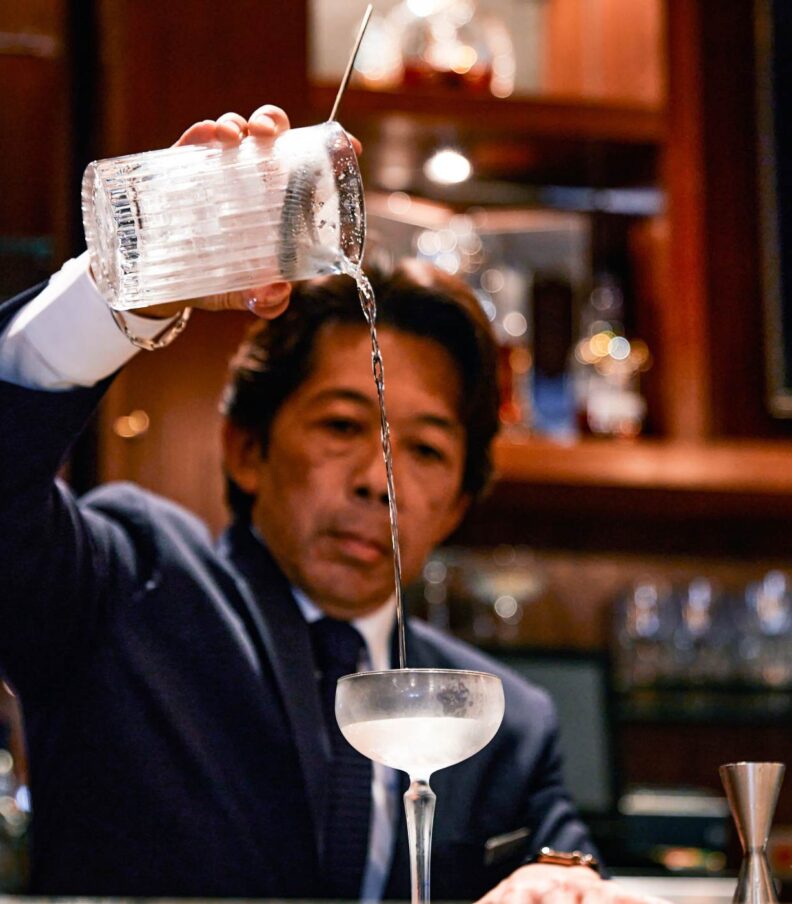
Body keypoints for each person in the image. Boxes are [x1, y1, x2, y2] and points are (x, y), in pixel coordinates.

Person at [0, 106, 659, 904]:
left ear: (455, 504)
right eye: (344, 426)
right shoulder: (128, 584)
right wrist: (130, 282)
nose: (380, 480)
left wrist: (563, 890)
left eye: (425, 451)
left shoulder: (502, 719)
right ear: (247, 448)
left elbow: (568, 872)